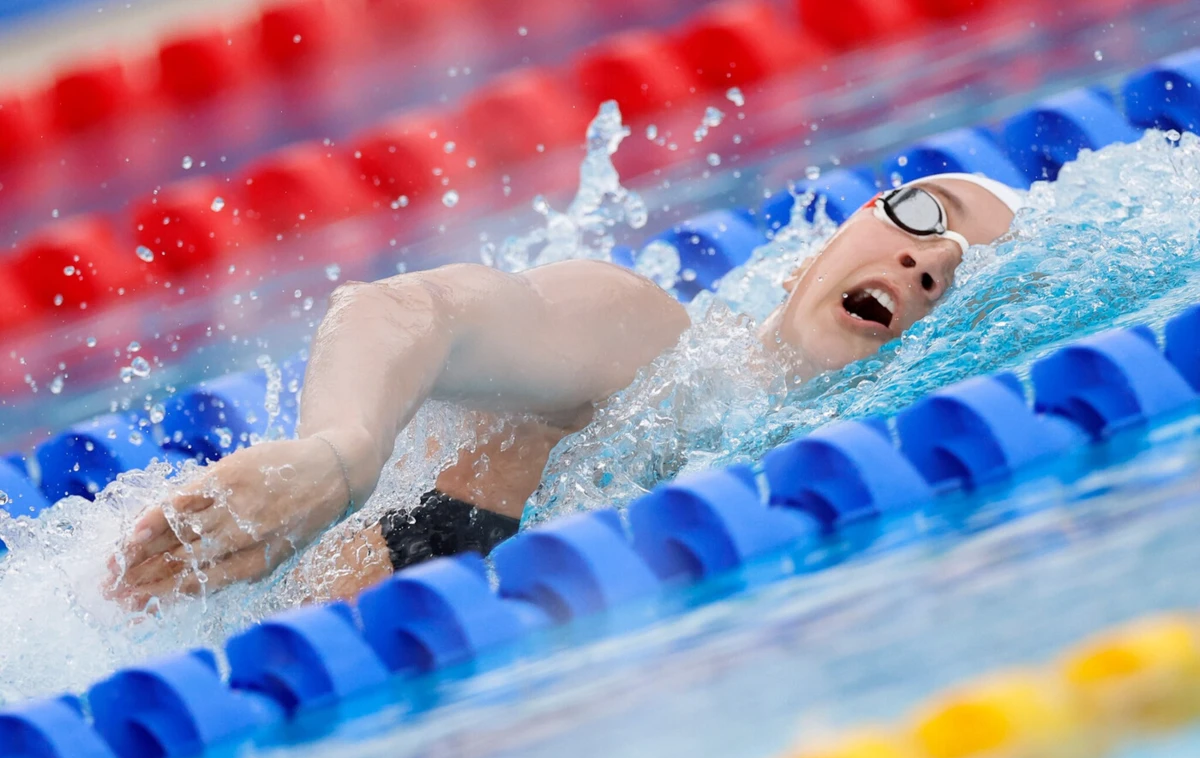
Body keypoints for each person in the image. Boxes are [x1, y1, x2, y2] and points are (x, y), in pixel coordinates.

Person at [106, 172, 1020, 607]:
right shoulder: (651, 340)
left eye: (958, 273)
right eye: (925, 215)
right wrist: (339, 454)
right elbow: (415, 308)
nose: (929, 259)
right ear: (807, 260)